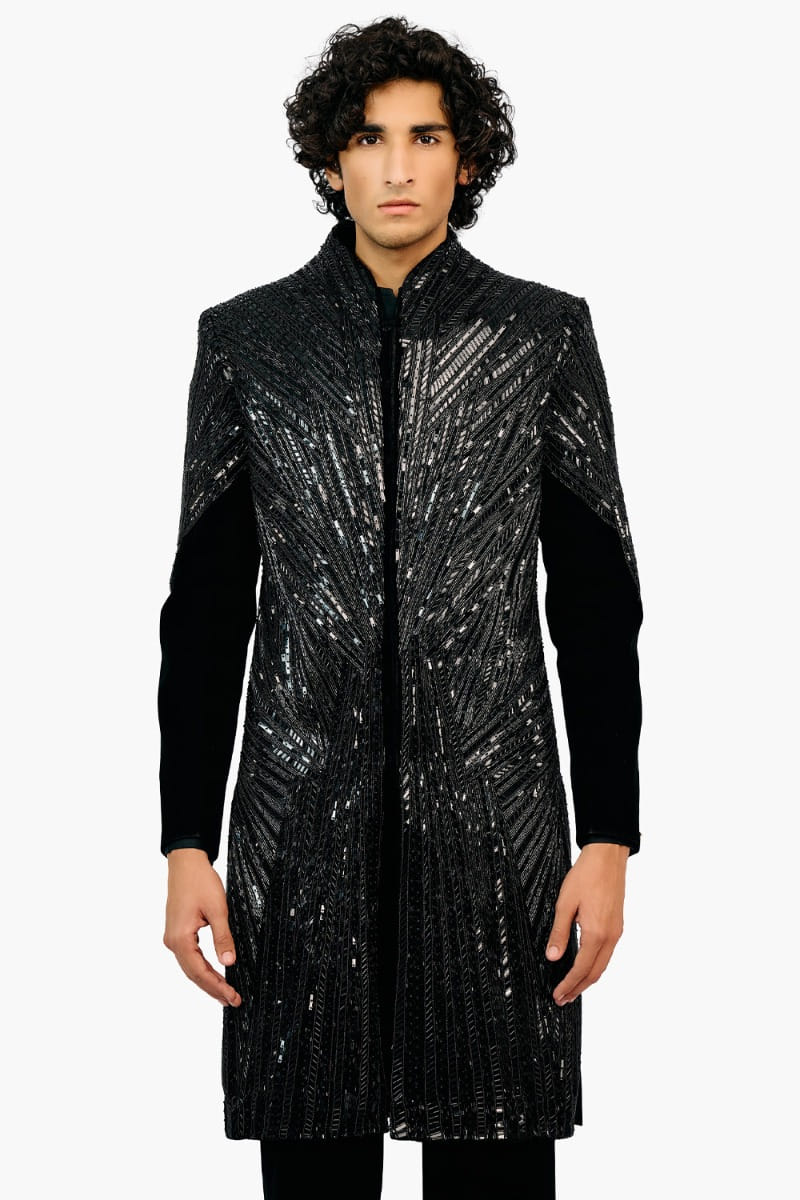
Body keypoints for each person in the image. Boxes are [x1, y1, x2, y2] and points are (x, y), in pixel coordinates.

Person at [158, 17, 644, 1199]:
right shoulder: (249, 342)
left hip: (494, 833)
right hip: (296, 828)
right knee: (311, 1159)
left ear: (464, 159)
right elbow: (206, 612)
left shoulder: (539, 335)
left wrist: (608, 838)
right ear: (331, 160)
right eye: (369, 138)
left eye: (425, 137)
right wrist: (184, 843)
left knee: (495, 1157)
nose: (395, 166)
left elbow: (595, 604)